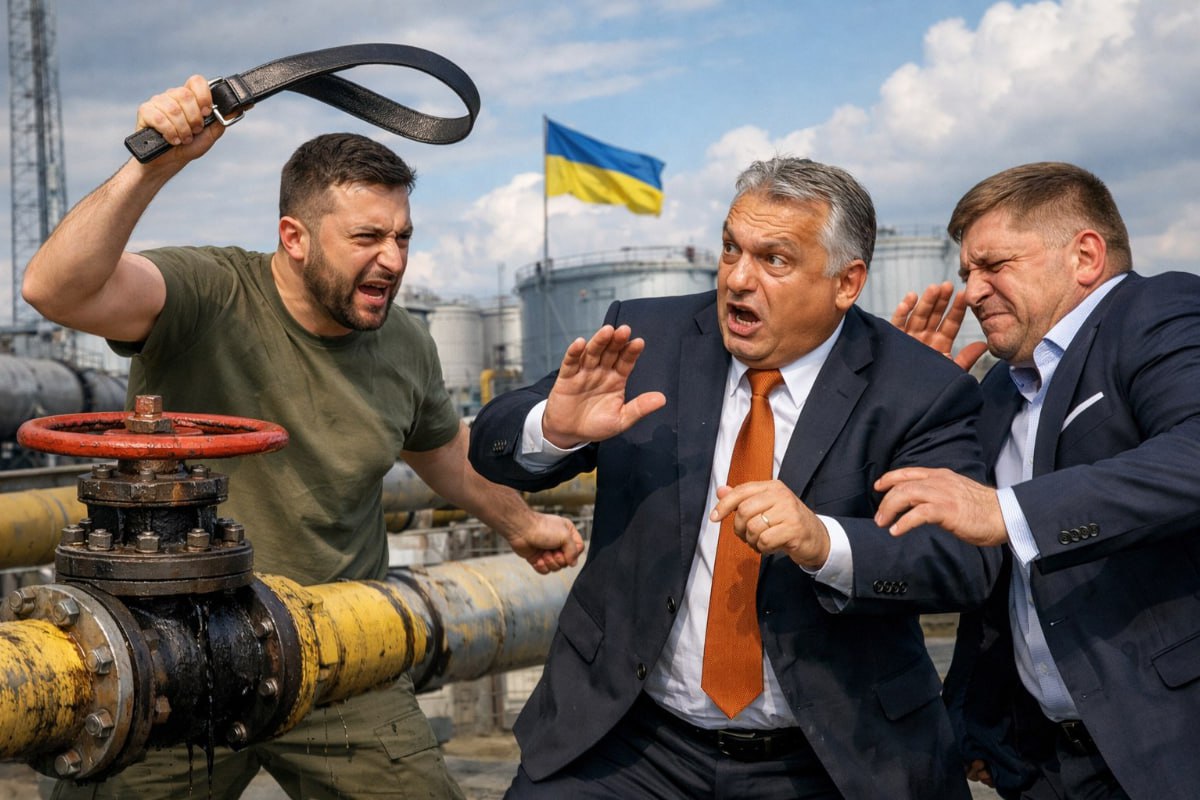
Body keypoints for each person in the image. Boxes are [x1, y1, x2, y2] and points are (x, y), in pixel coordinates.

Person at [21, 74, 583, 800]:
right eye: (367, 238)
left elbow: (446, 457)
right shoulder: (208, 293)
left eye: (402, 237)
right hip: (171, 653)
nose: (393, 260)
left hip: (335, 647)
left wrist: (525, 525)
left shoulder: (406, 344)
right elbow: (54, 290)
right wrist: (155, 163)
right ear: (294, 237)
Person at [467, 156, 1002, 799]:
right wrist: (555, 428)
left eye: (774, 259)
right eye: (730, 249)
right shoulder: (651, 339)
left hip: (830, 755)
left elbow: (963, 560)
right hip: (626, 740)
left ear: (847, 282)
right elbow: (492, 443)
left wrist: (825, 543)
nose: (738, 279)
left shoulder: (917, 388)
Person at [878, 161, 1200, 800]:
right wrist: (909, 403)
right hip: (1044, 762)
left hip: (1168, 748)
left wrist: (1008, 512)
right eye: (966, 273)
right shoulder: (999, 388)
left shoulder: (1156, 312)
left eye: (994, 266)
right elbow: (963, 557)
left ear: (1085, 256)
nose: (973, 292)